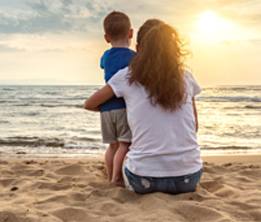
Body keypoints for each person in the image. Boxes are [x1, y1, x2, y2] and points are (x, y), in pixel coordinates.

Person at [84, 19, 203, 194]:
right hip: (189, 178)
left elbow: (89, 104)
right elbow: (194, 128)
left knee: (126, 151)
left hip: (143, 179)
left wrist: (127, 109)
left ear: (138, 50)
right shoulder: (186, 77)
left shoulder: (126, 76)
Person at [88, 11, 136, 184]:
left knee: (112, 146)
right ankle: (117, 178)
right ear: (131, 33)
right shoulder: (133, 57)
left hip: (106, 108)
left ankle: (109, 177)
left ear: (106, 38)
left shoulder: (106, 56)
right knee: (125, 145)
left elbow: (102, 66)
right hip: (123, 106)